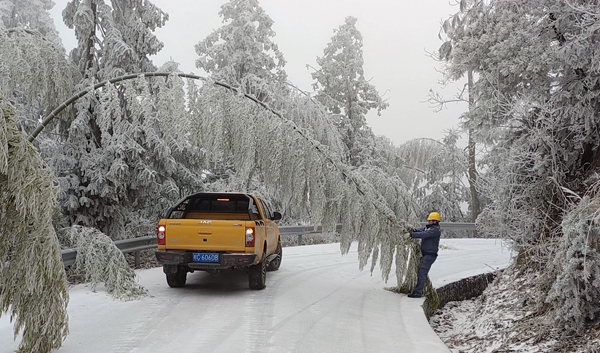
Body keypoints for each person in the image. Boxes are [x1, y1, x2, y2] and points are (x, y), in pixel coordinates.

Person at [407, 212, 441, 298]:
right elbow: (420, 230)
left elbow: (424, 235)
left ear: (435, 221)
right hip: (426, 254)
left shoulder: (435, 230)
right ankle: (419, 290)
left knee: (422, 273)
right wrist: (411, 230)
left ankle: (418, 292)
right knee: (422, 272)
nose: (428, 222)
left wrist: (411, 235)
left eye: (430, 220)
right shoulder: (428, 228)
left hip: (430, 255)